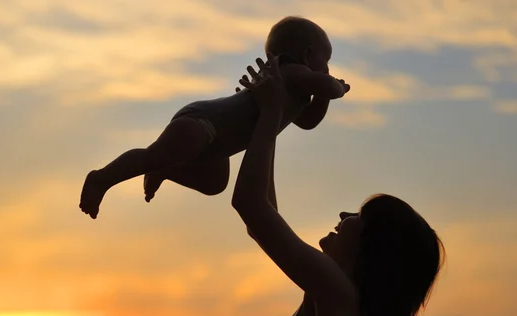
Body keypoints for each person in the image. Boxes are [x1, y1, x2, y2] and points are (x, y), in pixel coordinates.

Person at [232, 54, 444, 316]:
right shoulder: (336, 298)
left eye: (360, 216)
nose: (345, 216)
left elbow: (252, 208)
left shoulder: (340, 298)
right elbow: (262, 214)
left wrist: (271, 113)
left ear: (373, 246)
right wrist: (274, 116)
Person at [79, 16, 350, 219]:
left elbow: (309, 121)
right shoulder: (288, 70)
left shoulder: (291, 93)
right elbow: (326, 87)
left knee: (215, 184)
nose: (325, 69)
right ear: (308, 54)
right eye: (325, 60)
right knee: (157, 153)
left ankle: (166, 170)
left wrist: (324, 94)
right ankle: (102, 178)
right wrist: (335, 84)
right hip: (204, 122)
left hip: (219, 145)